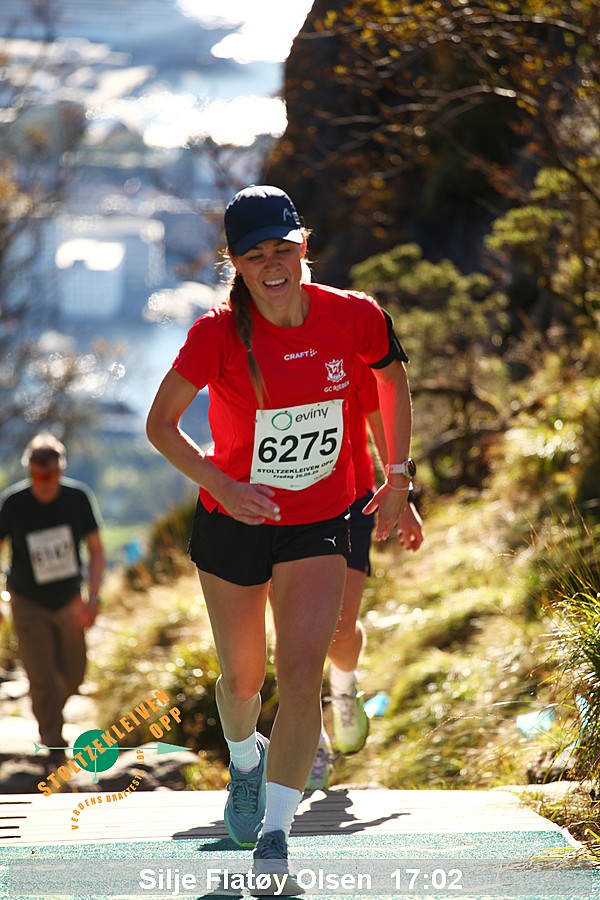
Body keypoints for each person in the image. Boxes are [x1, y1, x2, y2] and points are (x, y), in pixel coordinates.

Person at [146, 184, 414, 891]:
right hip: (235, 522)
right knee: (242, 680)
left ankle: (274, 841)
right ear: (235, 263)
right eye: (255, 254)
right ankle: (244, 759)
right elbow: (160, 425)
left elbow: (392, 381)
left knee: (300, 679)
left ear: (303, 247)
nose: (273, 264)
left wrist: (397, 476)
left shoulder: (353, 316)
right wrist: (224, 485)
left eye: (283, 249)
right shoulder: (215, 335)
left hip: (319, 522)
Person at [306, 356, 424, 791]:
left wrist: (401, 494)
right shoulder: (255, 338)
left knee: (338, 631)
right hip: (279, 505)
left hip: (349, 499)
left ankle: (342, 687)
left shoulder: (344, 342)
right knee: (294, 637)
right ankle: (311, 743)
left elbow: (379, 419)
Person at [0, 434, 105, 770]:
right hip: (27, 601)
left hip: (69, 601)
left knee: (74, 675)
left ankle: (50, 711)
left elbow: (96, 549)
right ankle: (54, 744)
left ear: (61, 471)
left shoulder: (78, 499)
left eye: (50, 475)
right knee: (41, 675)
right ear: (29, 471)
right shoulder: (13, 504)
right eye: (36, 475)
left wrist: (94, 597)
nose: (43, 483)